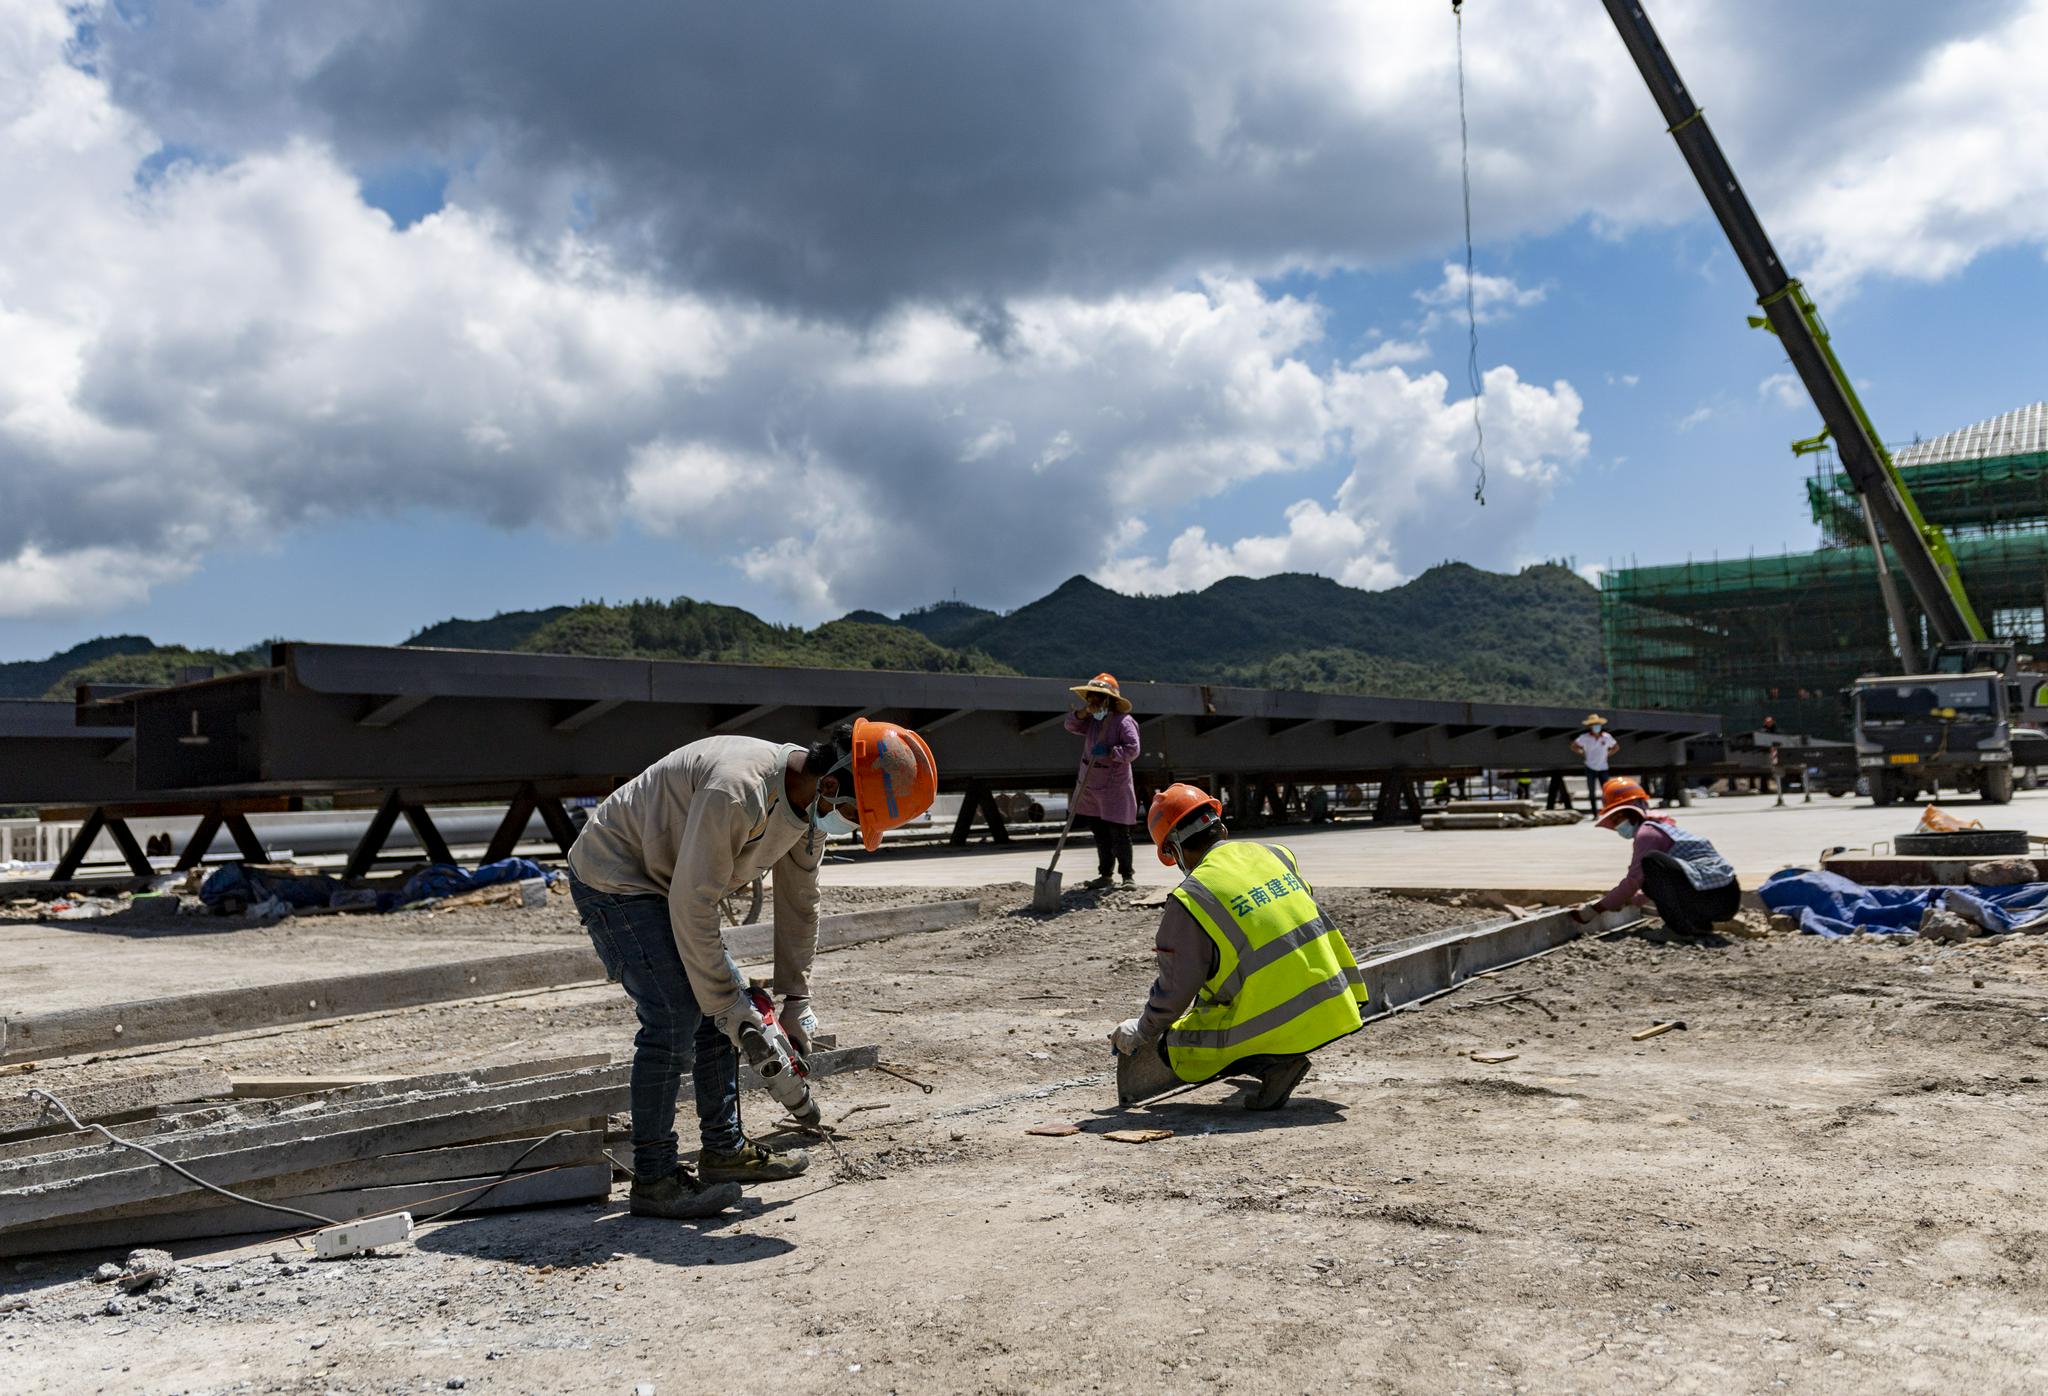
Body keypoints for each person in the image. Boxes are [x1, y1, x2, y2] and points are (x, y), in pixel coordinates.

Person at [566, 719, 937, 1219]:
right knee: (677, 1011)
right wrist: (729, 1003)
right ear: (831, 783)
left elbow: (800, 900)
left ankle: (724, 1151)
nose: (848, 823)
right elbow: (692, 902)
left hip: (673, 881)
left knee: (724, 1004)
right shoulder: (739, 790)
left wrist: (794, 999)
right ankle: (654, 1178)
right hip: (618, 876)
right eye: (853, 813)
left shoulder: (808, 811)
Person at [1107, 783, 1369, 1111]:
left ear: (1174, 849)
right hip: (1337, 1002)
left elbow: (1175, 992)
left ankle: (1274, 1064)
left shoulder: (1192, 898)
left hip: (1282, 1016)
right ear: (1221, 827)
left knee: (1173, 1046)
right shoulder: (1276, 854)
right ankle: (1276, 1053)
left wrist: (1142, 1029)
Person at [1572, 776, 1739, 936]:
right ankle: (1698, 926)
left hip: (1716, 899)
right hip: (1726, 899)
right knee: (1651, 874)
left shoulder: (1647, 834)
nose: (1617, 826)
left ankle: (1679, 930)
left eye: (1618, 819)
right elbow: (1662, 885)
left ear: (1632, 813)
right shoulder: (1660, 827)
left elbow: (1632, 882)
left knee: (1651, 862)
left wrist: (1593, 910)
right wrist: (1627, 901)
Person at [1064, 672, 1141, 889]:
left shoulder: (1124, 722)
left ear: (1110, 700)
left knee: (1119, 832)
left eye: (1098, 698)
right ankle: (1105, 874)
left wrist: (1110, 751)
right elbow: (1070, 725)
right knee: (1100, 833)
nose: (1094, 702)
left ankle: (1127, 876)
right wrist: (1084, 712)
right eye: (1091, 698)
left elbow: (1133, 749)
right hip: (1090, 785)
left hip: (1114, 786)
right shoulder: (1091, 721)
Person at [1569, 713, 1620, 807]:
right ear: (1590, 726)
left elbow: (1616, 747)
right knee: (1591, 792)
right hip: (1590, 767)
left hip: (1603, 767)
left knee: (1607, 790)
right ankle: (1594, 813)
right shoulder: (1584, 737)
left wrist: (1607, 755)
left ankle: (1607, 809)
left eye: (1598, 724)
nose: (1596, 727)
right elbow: (1573, 746)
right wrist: (1582, 753)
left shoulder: (1606, 737)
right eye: (1594, 725)